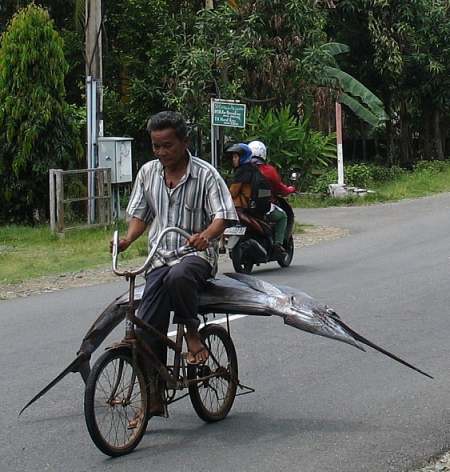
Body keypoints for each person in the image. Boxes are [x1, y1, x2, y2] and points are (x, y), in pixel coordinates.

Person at [117, 111, 238, 414]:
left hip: (196, 257)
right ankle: (154, 396)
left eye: (167, 145)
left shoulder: (206, 174)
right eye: (156, 146)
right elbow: (140, 215)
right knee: (146, 326)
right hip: (159, 257)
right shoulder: (148, 173)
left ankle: (193, 335)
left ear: (184, 142)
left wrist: (206, 235)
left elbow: (223, 215)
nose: (161, 153)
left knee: (179, 275)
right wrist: (127, 240)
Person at [248, 140, 296, 256]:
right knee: (283, 216)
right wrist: (290, 189)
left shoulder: (242, 169)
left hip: (244, 208)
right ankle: (277, 245)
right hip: (262, 207)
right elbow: (280, 188)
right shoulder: (269, 170)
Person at [227, 142, 257, 211]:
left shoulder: (242, 171)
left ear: (243, 157)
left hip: (243, 206)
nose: (233, 159)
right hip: (253, 204)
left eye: (235, 157)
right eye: (233, 157)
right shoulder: (253, 168)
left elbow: (232, 193)